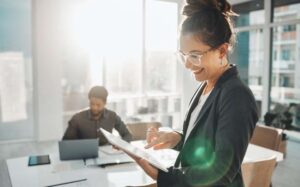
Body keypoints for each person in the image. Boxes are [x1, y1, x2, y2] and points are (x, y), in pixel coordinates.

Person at [124, 0, 259, 186]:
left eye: (194, 55)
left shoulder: (236, 96)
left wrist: (162, 176)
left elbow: (222, 172)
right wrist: (178, 138)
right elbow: (206, 140)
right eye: (184, 55)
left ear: (221, 51)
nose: (187, 65)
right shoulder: (205, 86)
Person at [62, 86, 132, 145]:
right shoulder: (77, 118)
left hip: (107, 155)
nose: (94, 107)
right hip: (84, 156)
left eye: (98, 105)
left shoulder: (112, 116)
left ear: (105, 103)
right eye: (92, 104)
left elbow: (127, 135)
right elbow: (65, 142)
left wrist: (120, 145)